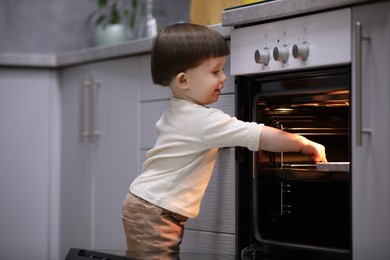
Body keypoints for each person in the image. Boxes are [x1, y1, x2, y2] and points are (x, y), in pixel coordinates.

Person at [121, 23, 327, 253]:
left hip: (148, 204)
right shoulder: (203, 120)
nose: (225, 77)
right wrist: (302, 143)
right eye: (215, 71)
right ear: (183, 81)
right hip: (155, 210)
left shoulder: (179, 109)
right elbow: (258, 134)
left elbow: (191, 142)